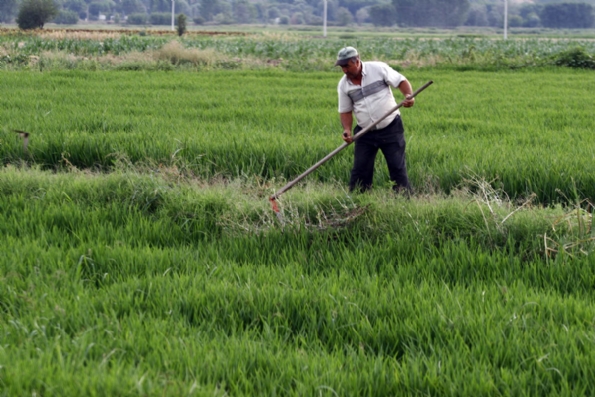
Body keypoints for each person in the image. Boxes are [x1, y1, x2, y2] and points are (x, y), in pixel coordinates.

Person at [335, 46, 415, 195]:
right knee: (360, 170)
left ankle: (404, 201)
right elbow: (345, 110)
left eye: (347, 65)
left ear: (357, 61)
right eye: (342, 67)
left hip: (390, 127)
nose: (344, 70)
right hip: (365, 132)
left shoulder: (378, 69)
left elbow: (401, 81)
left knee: (397, 166)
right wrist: (346, 130)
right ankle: (358, 202)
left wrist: (409, 96)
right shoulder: (344, 85)